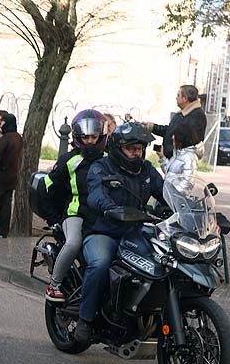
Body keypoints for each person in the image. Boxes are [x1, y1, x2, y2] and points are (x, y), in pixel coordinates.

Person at [75, 122, 164, 342]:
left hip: (134, 232)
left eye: (141, 148)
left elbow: (167, 193)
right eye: (132, 148)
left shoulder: (147, 171)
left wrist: (191, 209)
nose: (138, 153)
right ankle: (85, 320)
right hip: (103, 231)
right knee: (100, 263)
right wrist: (111, 209)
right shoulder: (101, 167)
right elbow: (96, 195)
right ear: (118, 148)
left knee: (162, 265)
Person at [41, 109, 108, 302]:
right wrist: (53, 219)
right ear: (77, 137)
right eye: (85, 137)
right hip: (75, 213)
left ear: (101, 136)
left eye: (94, 137)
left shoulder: (108, 160)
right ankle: (54, 284)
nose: (89, 141)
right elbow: (47, 187)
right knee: (73, 243)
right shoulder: (69, 160)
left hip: (101, 215)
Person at [144, 85, 207, 160]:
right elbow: (170, 131)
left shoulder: (197, 117)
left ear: (185, 98)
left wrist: (166, 152)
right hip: (173, 161)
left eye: (178, 95)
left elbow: (187, 144)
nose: (176, 98)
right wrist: (151, 126)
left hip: (181, 163)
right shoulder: (182, 114)